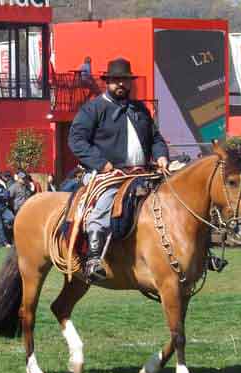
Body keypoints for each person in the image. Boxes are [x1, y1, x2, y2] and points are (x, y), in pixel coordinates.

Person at [68, 57, 169, 281]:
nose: (121, 84)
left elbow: (155, 138)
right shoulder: (93, 108)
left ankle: (197, 251)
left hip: (143, 172)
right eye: (116, 80)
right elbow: (76, 140)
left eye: (125, 80)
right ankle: (94, 258)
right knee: (104, 201)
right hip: (108, 174)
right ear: (107, 82)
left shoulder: (140, 109)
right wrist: (102, 164)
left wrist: (161, 155)